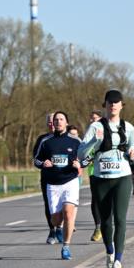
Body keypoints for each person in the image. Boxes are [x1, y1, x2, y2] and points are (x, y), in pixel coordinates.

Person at [77, 90, 134, 268]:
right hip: (101, 178)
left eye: (116, 102)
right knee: (106, 220)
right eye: (110, 102)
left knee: (120, 219)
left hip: (123, 176)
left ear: (121, 105)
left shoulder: (128, 127)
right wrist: (95, 140)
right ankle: (109, 252)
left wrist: (133, 151)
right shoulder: (96, 127)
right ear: (105, 105)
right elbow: (81, 153)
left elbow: (133, 144)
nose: (113, 105)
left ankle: (118, 260)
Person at [34, 111, 81, 260]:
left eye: (61, 119)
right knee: (55, 219)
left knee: (68, 212)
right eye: (56, 120)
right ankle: (58, 228)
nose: (58, 122)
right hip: (52, 184)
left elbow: (87, 157)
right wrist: (43, 164)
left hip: (70, 181)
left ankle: (66, 247)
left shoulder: (76, 141)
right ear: (53, 123)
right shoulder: (45, 141)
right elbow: (36, 160)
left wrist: (80, 163)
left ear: (66, 122)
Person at [32, 113, 56, 244]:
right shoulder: (42, 139)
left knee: (64, 206)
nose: (52, 124)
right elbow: (35, 160)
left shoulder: (69, 138)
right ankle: (52, 230)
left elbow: (80, 155)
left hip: (66, 179)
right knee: (49, 205)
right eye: (49, 122)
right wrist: (43, 163)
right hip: (48, 178)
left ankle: (62, 227)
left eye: (54, 121)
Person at [87, 110, 103, 242]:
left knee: (108, 200)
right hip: (93, 172)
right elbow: (83, 153)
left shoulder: (107, 132)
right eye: (91, 119)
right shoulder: (88, 135)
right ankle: (98, 227)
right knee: (96, 200)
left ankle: (109, 224)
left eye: (95, 118)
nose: (93, 121)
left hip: (108, 171)